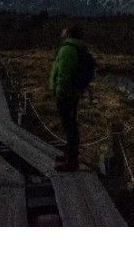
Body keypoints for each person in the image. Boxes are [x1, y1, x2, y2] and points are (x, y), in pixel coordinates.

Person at [48, 25, 86, 171]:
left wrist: (59, 91)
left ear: (69, 34)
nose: (61, 32)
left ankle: (72, 161)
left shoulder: (67, 49)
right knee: (70, 124)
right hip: (73, 92)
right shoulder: (76, 47)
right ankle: (69, 154)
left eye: (64, 31)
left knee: (69, 125)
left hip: (66, 93)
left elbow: (63, 72)